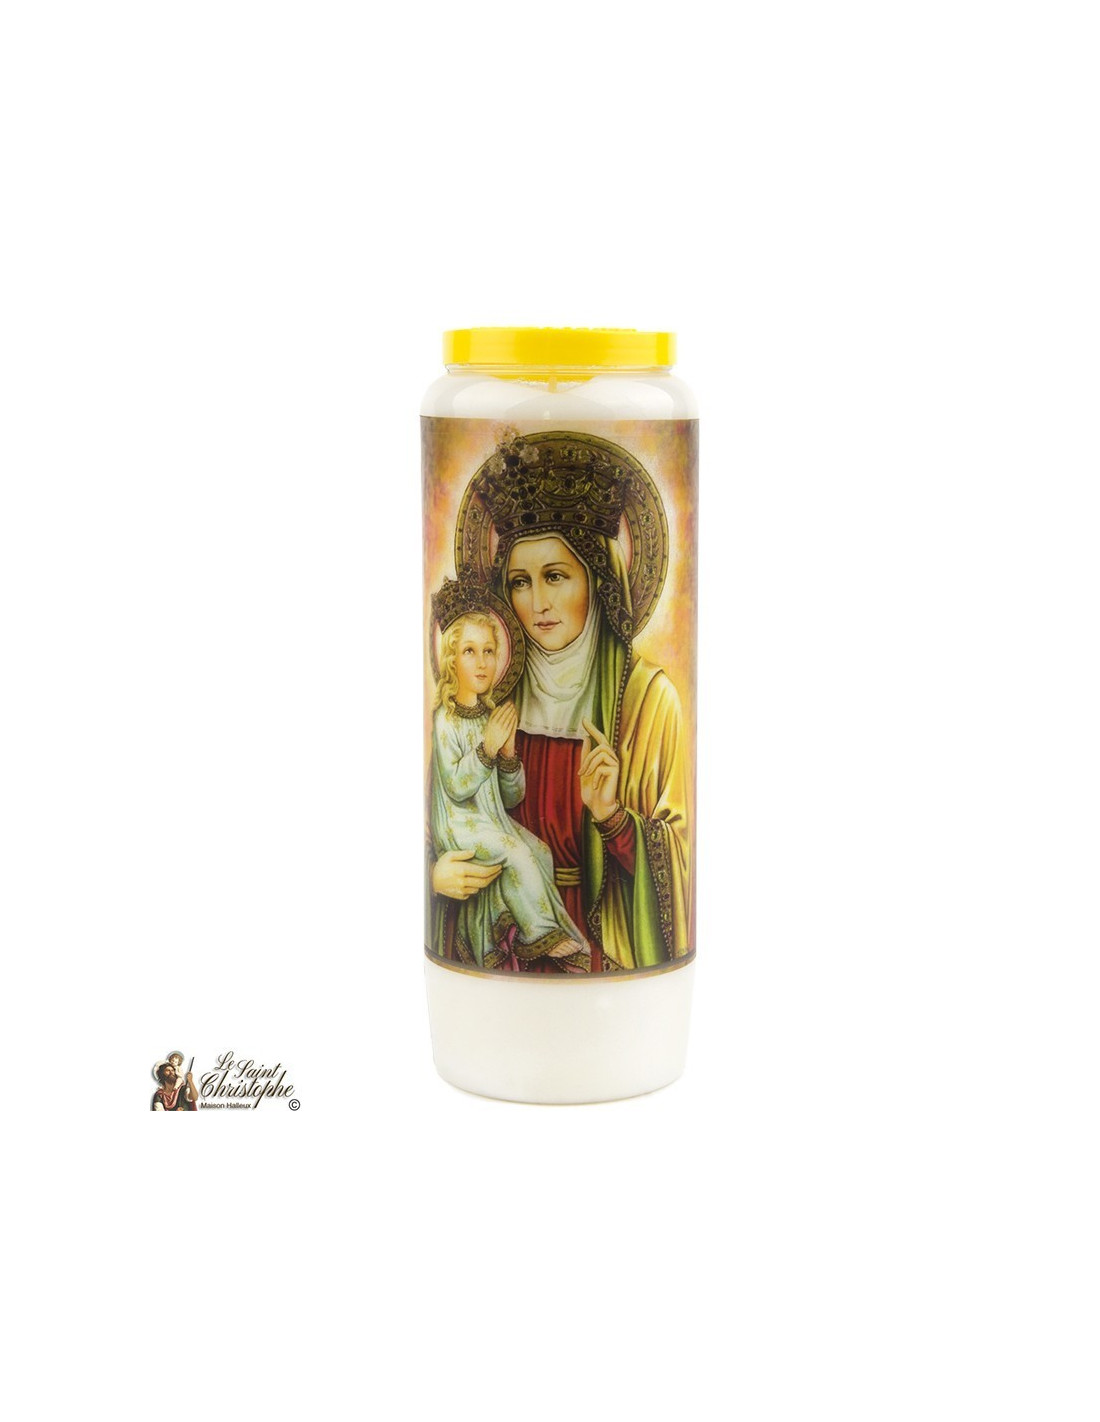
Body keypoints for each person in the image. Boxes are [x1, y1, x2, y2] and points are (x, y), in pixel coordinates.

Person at [431, 434, 691, 974]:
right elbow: (443, 802)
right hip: (500, 938)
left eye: (555, 576)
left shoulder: (648, 700)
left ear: (596, 579)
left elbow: (682, 859)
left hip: (603, 950)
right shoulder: (490, 696)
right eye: (520, 582)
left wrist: (613, 818)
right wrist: (436, 873)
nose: (538, 603)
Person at [430, 608, 588, 972]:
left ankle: (531, 934)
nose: (482, 662)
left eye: (489, 651)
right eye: (470, 651)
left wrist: (507, 755)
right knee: (515, 851)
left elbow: (511, 798)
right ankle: (543, 933)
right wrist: (487, 748)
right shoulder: (445, 720)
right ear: (452, 660)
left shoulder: (489, 717)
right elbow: (456, 787)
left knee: (540, 851)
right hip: (459, 825)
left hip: (491, 820)